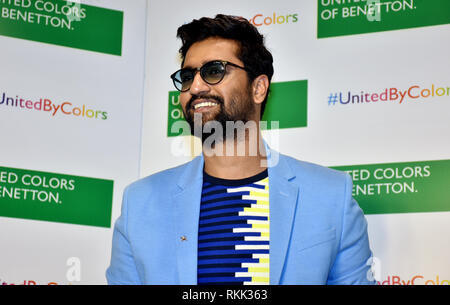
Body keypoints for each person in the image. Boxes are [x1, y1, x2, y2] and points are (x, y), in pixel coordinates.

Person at [106, 14, 376, 285]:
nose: (196, 87)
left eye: (215, 70)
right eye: (187, 76)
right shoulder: (140, 204)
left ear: (258, 88)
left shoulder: (330, 197)